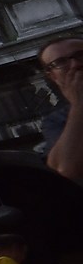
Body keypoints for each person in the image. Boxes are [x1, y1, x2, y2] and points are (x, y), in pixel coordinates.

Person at [41, 34, 83, 184]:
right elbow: (66, 168)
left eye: (80, 55)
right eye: (60, 62)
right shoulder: (57, 121)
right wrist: (79, 105)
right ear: (53, 76)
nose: (75, 65)